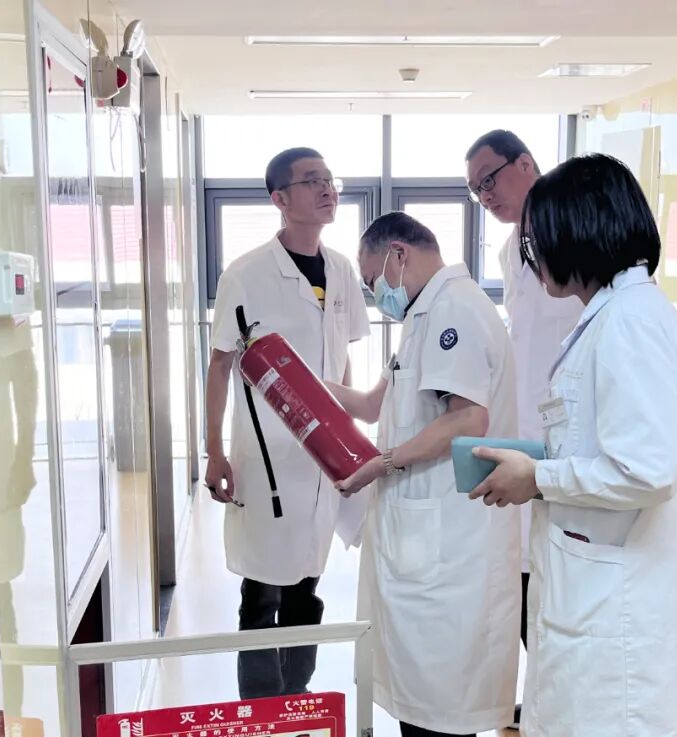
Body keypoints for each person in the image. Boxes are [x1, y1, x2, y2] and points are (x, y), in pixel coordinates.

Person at [469, 153, 677, 737]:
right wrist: (539, 464)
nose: (533, 256)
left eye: (537, 239)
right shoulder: (612, 315)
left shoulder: (629, 320)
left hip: (614, 617)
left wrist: (538, 477)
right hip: (592, 594)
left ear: (580, 229)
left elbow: (647, 470)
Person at [327, 212, 520, 737]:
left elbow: (467, 418)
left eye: (374, 281)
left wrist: (383, 463)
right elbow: (374, 404)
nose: (377, 295)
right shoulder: (422, 315)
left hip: (451, 544)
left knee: (439, 713)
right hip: (423, 543)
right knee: (421, 706)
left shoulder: (454, 308)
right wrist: (304, 383)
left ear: (399, 254)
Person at [204, 147, 370, 699]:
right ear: (280, 198)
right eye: (311, 181)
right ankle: (260, 713)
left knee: (307, 589)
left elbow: (341, 362)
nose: (327, 190)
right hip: (265, 458)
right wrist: (213, 451)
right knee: (261, 594)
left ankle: (296, 707)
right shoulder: (246, 274)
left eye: (330, 179)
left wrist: (347, 437)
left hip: (321, 459)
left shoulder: (341, 270)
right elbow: (220, 365)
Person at [465, 129, 582, 729]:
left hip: (572, 434)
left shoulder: (572, 227)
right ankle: (541, 694)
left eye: (489, 179)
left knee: (558, 576)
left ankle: (558, 698)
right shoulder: (511, 250)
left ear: (527, 163)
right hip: (526, 428)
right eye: (475, 189)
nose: (485, 195)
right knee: (522, 572)